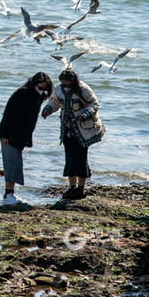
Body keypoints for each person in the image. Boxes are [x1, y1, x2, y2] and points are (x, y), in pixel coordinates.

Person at [42, 70, 103, 200]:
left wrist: (84, 114)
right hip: (67, 129)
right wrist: (48, 109)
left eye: (67, 84)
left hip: (83, 129)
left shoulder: (83, 89)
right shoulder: (59, 89)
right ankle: (72, 187)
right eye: (63, 84)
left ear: (73, 81)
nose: (65, 87)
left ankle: (81, 189)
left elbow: (94, 103)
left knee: (80, 158)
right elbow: (54, 102)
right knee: (69, 158)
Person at [0, 72, 53, 205]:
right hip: (9, 134)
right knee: (11, 164)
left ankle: (11, 194)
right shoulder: (22, 93)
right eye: (40, 87)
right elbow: (9, 114)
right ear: (34, 84)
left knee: (16, 164)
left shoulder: (37, 96)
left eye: (45, 89)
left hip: (20, 134)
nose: (42, 91)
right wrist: (6, 135)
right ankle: (8, 195)